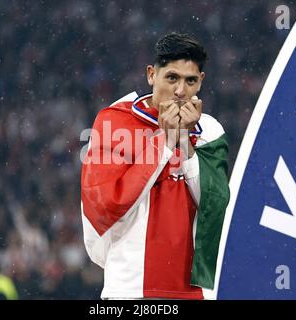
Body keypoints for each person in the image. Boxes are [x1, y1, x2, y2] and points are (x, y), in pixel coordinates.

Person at [81, 32, 230, 299]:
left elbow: (214, 208)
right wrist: (165, 139)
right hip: (129, 288)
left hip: (193, 292)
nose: (181, 91)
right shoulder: (114, 121)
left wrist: (184, 142)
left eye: (190, 80)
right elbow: (104, 206)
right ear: (151, 75)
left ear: (201, 82)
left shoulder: (210, 130)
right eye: (171, 77)